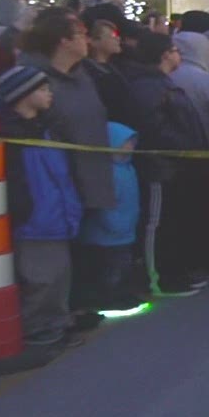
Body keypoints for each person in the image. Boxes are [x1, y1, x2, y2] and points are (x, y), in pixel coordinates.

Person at [0, 65, 83, 350]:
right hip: (35, 218)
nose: (50, 95)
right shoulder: (9, 136)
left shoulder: (46, 130)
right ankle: (35, 327)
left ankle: (56, 321)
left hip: (56, 213)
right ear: (23, 95)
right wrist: (24, 211)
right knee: (40, 278)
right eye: (43, 89)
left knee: (59, 276)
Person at [119, 33, 208, 298]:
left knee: (173, 222)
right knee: (158, 224)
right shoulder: (148, 87)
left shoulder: (162, 84)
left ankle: (174, 271)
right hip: (161, 165)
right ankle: (158, 277)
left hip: (176, 165)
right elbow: (152, 128)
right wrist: (182, 146)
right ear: (165, 54)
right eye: (175, 50)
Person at [17, 9, 115, 218]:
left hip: (94, 181)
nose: (87, 40)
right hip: (57, 188)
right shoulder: (34, 82)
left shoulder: (85, 77)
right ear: (64, 42)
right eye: (80, 35)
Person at [73, 123, 144, 314]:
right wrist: (114, 225)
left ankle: (121, 294)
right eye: (126, 142)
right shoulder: (106, 173)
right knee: (109, 269)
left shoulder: (128, 168)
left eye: (132, 142)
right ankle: (109, 298)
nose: (131, 146)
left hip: (126, 230)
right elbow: (102, 205)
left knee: (122, 266)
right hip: (106, 234)